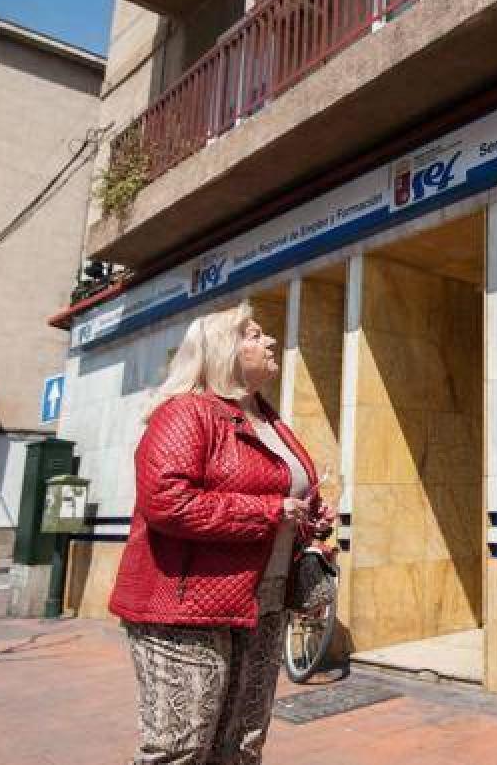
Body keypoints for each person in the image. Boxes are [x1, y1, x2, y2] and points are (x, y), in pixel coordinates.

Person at [109, 301, 333, 765]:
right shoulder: (186, 413)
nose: (270, 341)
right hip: (187, 608)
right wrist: (272, 511)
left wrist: (309, 516)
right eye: (254, 334)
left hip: (264, 605)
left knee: (242, 746)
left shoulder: (272, 424)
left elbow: (281, 499)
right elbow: (168, 502)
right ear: (222, 351)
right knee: (181, 750)